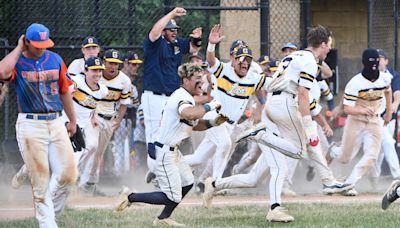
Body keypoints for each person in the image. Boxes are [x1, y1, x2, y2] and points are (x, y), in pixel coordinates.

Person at [114, 63, 226, 226]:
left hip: (172, 151)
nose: (201, 82)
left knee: (187, 182)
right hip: (164, 151)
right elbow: (187, 113)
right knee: (172, 196)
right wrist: (210, 106)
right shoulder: (183, 97)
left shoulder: (187, 96)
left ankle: (163, 218)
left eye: (201, 79)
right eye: (197, 79)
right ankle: (130, 196)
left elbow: (193, 123)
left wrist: (212, 122)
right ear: (186, 80)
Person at [0, 23, 77, 228]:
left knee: (69, 175)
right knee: (41, 184)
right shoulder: (18, 61)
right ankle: (48, 223)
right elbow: (1, 72)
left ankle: (46, 206)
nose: (41, 48)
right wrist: (18, 48)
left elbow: (64, 92)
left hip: (56, 121)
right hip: (30, 124)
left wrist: (73, 120)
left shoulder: (55, 60)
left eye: (44, 43)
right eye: (37, 44)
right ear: (27, 42)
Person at [11, 57, 109, 189]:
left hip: (79, 130)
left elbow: (93, 103)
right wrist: (66, 92)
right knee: (43, 155)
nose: (97, 74)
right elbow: (60, 90)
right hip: (62, 123)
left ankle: (61, 187)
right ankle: (24, 172)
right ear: (85, 70)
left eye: (100, 70)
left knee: (79, 154)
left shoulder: (103, 90)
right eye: (94, 70)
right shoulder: (75, 81)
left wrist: (94, 117)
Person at [141, 7, 202, 174]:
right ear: (164, 31)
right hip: (153, 95)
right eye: (170, 29)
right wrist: (172, 14)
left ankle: (159, 171)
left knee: (168, 135)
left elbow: (193, 48)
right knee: (153, 138)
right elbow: (154, 32)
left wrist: (197, 38)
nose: (174, 32)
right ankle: (154, 171)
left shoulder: (175, 44)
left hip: (170, 98)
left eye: (175, 29)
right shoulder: (155, 43)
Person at [326, 48, 392, 194]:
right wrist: (362, 110)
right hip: (356, 120)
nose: (374, 66)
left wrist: (388, 111)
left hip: (374, 121)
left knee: (372, 156)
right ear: (364, 63)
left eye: (376, 61)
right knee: (345, 158)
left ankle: (349, 182)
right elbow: (347, 108)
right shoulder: (355, 82)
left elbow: (388, 92)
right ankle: (332, 151)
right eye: (371, 63)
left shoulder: (385, 78)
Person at [78, 49, 132, 194]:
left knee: (99, 153)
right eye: (110, 63)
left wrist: (118, 120)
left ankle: (90, 184)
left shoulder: (124, 80)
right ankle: (77, 178)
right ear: (103, 62)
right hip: (93, 117)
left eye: (116, 63)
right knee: (91, 147)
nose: (113, 66)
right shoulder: (96, 77)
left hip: (109, 119)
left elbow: (124, 102)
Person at [109, 51, 143, 176]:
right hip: (119, 117)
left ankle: (129, 175)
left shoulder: (130, 81)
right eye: (133, 64)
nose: (136, 67)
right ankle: (119, 176)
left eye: (137, 64)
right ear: (126, 64)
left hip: (130, 118)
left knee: (130, 148)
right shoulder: (119, 79)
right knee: (119, 148)